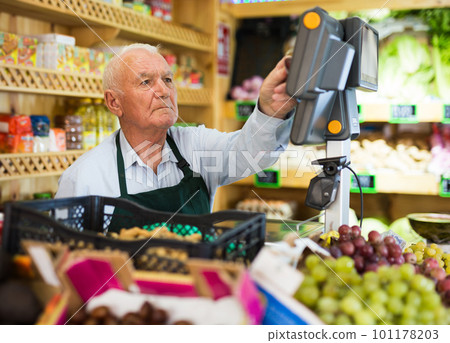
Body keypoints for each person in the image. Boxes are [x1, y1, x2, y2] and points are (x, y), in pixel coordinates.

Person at [55, 43, 297, 214]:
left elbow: (252, 154)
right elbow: (65, 259)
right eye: (146, 82)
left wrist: (270, 109)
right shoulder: (84, 178)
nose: (163, 91)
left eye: (168, 80)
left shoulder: (196, 146)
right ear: (114, 102)